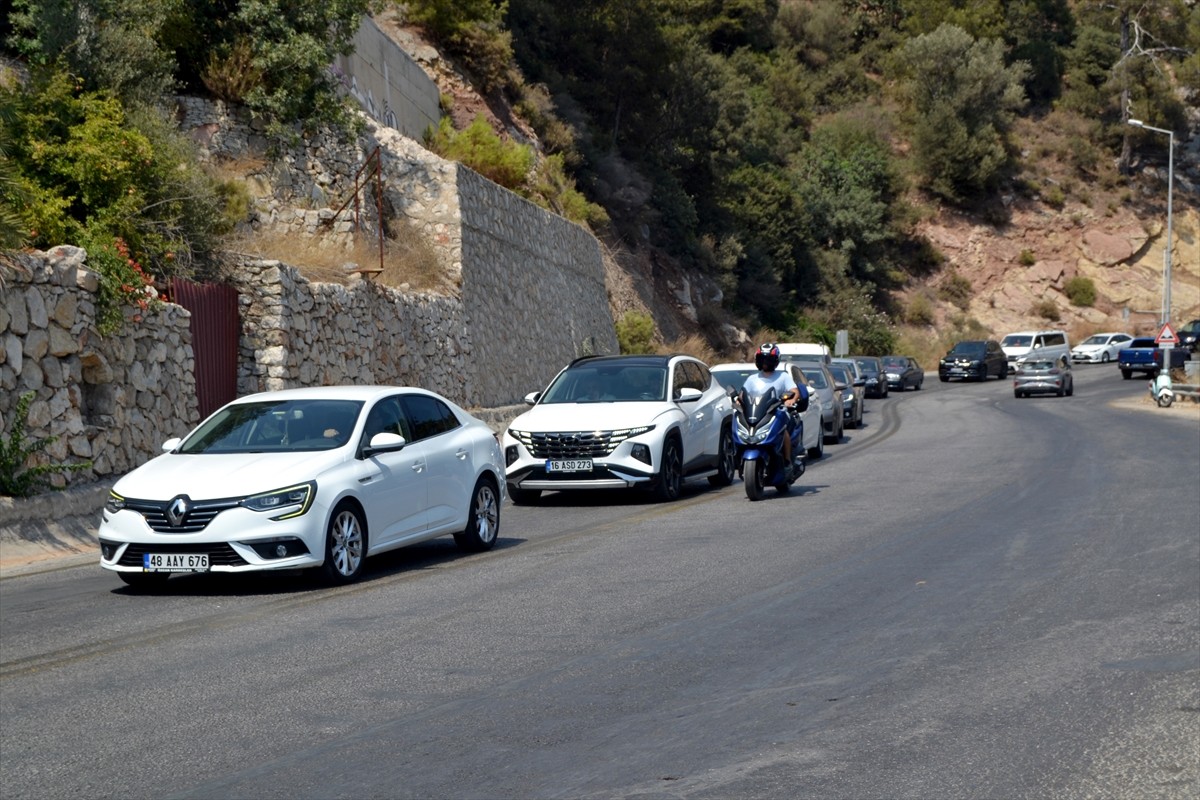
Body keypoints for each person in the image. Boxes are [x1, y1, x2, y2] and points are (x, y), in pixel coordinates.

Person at [741, 342, 806, 477]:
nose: (765, 362)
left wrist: (791, 400)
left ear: (775, 361)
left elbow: (794, 391)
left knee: (783, 432)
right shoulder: (752, 379)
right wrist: (737, 402)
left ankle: (787, 462)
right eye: (762, 359)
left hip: (777, 412)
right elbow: (743, 395)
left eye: (768, 359)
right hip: (758, 413)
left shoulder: (783, 376)